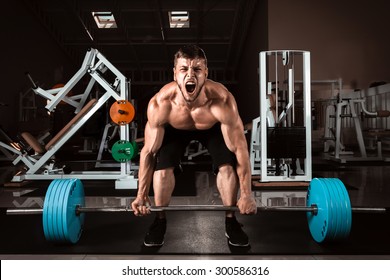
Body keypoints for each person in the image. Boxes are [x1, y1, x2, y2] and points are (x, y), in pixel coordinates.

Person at [131, 45, 257, 247]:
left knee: (227, 167)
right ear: (175, 74)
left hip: (212, 126)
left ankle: (231, 221)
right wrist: (141, 196)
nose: (190, 75)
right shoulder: (161, 104)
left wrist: (247, 195)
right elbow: (148, 153)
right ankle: (160, 220)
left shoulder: (222, 101)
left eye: (197, 69)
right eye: (184, 69)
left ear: (206, 73)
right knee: (162, 172)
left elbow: (240, 150)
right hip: (175, 128)